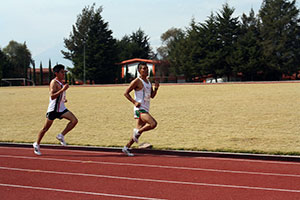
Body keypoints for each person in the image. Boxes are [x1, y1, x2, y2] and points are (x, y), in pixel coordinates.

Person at [33, 64, 78, 155]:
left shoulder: (61, 83)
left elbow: (59, 96)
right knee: (45, 128)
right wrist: (63, 90)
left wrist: (63, 99)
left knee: (74, 120)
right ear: (56, 73)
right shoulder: (53, 83)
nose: (63, 74)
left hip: (61, 109)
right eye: (62, 72)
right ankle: (36, 144)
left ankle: (61, 135)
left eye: (64, 72)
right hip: (53, 110)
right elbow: (52, 96)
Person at [122, 62, 159, 156]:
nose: (146, 70)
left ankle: (126, 147)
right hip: (139, 109)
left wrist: (156, 88)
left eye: (147, 68)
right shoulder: (137, 81)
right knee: (153, 124)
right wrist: (134, 102)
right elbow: (126, 93)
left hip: (146, 108)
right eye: (143, 68)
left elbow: (152, 96)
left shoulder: (148, 82)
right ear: (139, 71)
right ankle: (138, 131)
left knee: (137, 133)